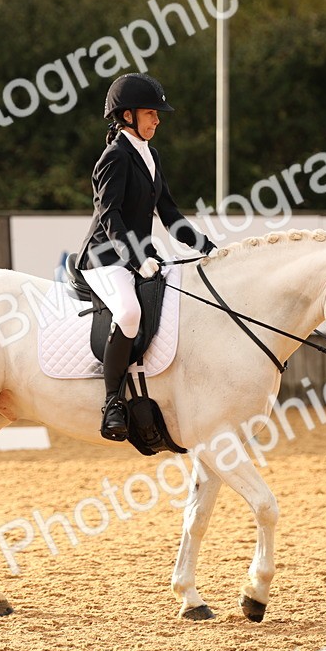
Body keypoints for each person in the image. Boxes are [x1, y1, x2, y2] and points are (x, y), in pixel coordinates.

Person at [75, 73, 217, 442]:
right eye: (151, 113)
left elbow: (169, 214)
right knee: (129, 313)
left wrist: (208, 248)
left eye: (157, 114)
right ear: (126, 116)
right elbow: (110, 216)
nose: (158, 120)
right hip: (105, 257)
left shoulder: (150, 155)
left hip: (138, 255)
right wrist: (136, 258)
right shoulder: (115, 157)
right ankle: (112, 404)